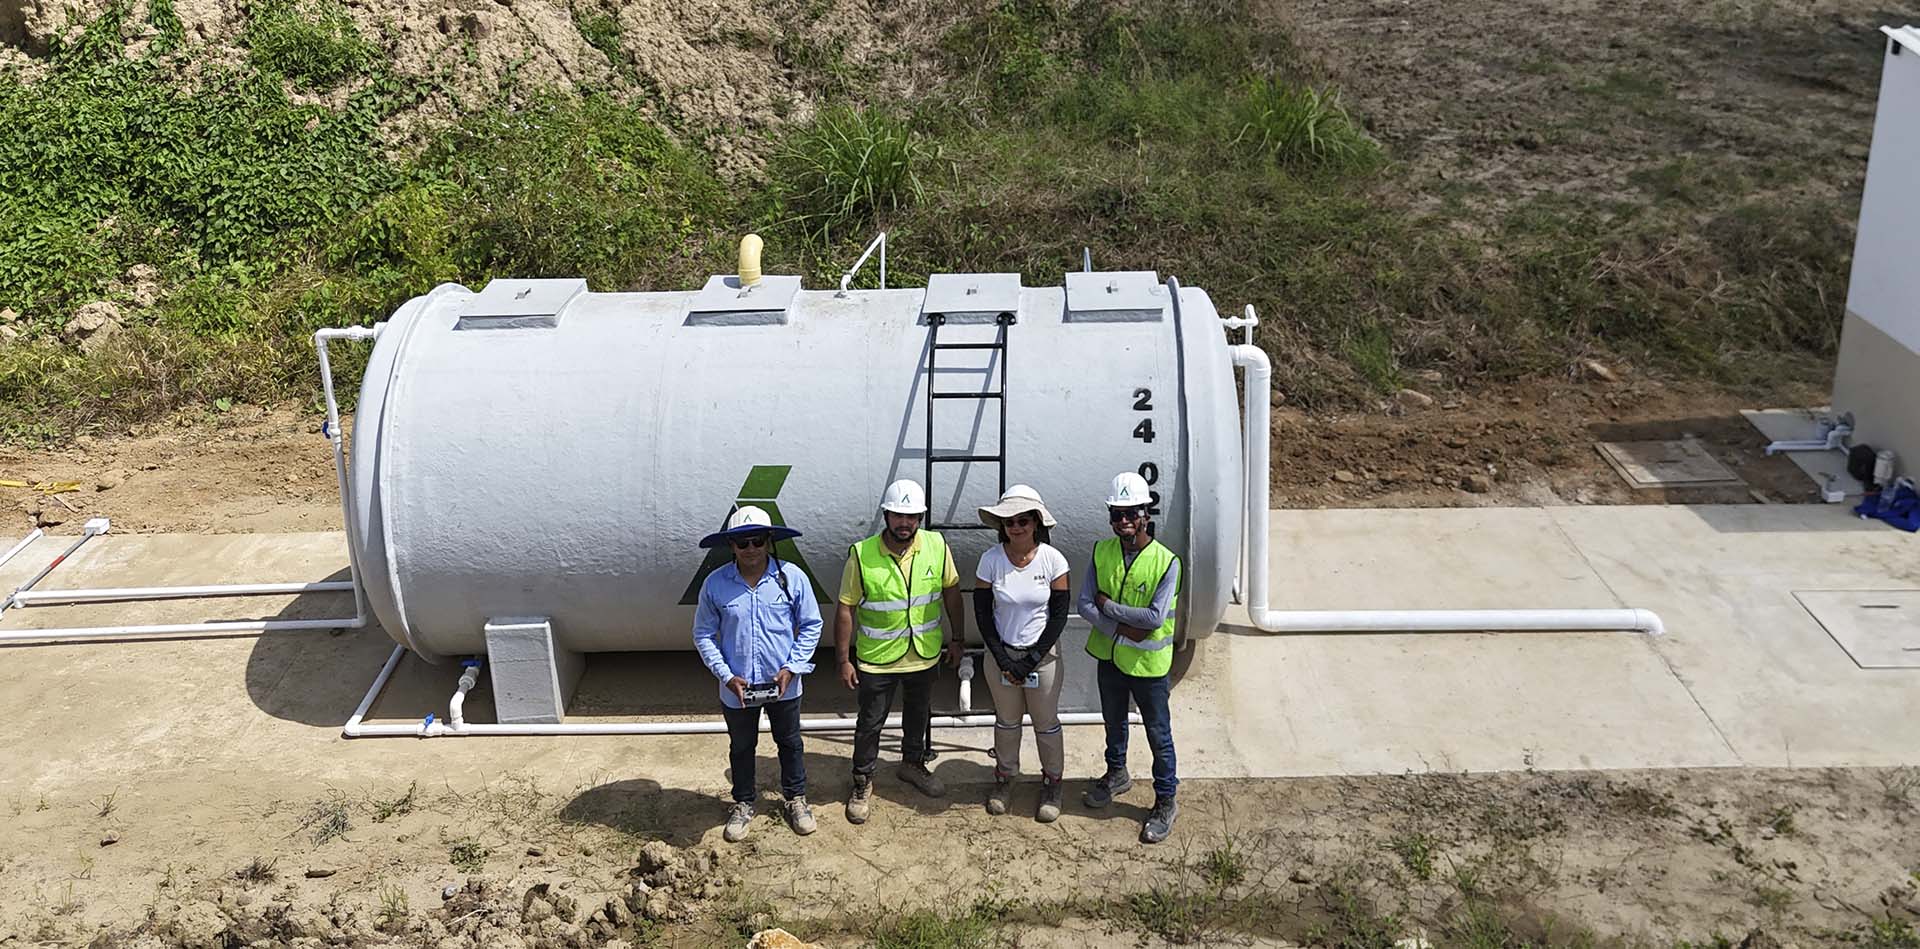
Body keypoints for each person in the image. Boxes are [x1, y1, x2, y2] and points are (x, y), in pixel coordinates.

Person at [835, 479, 965, 823]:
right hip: (878, 659)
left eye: (911, 517)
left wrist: (958, 638)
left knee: (918, 714)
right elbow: (846, 607)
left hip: (923, 654)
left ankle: (912, 764)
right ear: (886, 515)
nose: (904, 523)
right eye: (897, 516)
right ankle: (862, 781)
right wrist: (844, 659)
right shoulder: (862, 554)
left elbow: (951, 591)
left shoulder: (937, 546)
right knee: (870, 723)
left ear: (920, 517)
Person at [691, 505, 823, 843]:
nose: (750, 549)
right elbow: (704, 634)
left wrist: (792, 668)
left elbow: (811, 625)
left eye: (757, 541)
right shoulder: (715, 584)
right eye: (742, 542)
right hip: (737, 688)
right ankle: (743, 802)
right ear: (731, 546)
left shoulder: (791, 577)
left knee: (790, 743)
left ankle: (795, 799)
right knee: (741, 746)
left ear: (769, 542)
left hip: (784, 686)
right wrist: (726, 675)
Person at [1077, 471, 1182, 844]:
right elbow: (1086, 603)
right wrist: (1120, 627)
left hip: (1149, 667)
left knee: (1158, 733)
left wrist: (1110, 608)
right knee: (1113, 722)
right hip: (1111, 657)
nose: (1122, 520)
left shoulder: (1166, 562)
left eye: (1130, 513)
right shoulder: (1101, 551)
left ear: (1145, 514)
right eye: (1116, 513)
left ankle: (1166, 799)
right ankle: (1116, 774)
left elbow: (1154, 619)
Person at [973, 484, 1072, 822]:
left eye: (1023, 521)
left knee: (1046, 724)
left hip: (1042, 659)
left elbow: (1058, 616)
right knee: (1007, 722)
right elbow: (983, 614)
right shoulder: (990, 560)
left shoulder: (1053, 560)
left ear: (1036, 523)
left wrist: (1031, 659)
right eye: (1009, 522)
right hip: (1001, 656)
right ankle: (1004, 778)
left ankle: (1052, 782)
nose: (1016, 528)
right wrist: (1002, 658)